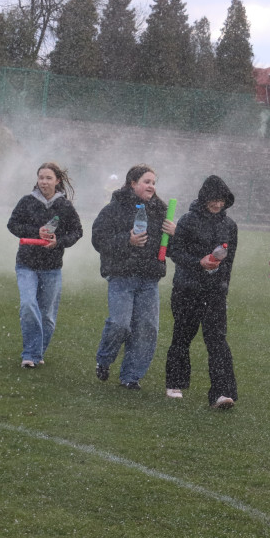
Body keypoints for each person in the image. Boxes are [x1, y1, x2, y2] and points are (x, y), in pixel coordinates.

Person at [92, 164, 176, 389]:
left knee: (146, 328)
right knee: (120, 324)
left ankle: (131, 377)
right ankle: (104, 360)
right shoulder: (114, 208)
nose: (152, 186)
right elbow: (98, 239)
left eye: (154, 183)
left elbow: (173, 248)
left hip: (149, 278)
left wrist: (174, 234)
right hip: (121, 276)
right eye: (147, 182)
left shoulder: (161, 210)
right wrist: (126, 241)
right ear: (133, 183)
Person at [164, 174, 238, 408]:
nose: (218, 204)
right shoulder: (188, 220)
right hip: (187, 289)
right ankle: (175, 382)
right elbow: (174, 252)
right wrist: (199, 262)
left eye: (222, 200)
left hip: (214, 292)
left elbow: (229, 261)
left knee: (217, 341)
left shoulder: (230, 225)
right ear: (204, 198)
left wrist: (223, 286)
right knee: (183, 336)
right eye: (214, 200)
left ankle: (222, 392)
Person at [6, 162, 83, 368]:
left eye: (48, 178)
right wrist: (35, 232)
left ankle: (36, 353)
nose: (44, 182)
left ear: (57, 180)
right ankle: (30, 354)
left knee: (47, 315)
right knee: (28, 305)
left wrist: (58, 241)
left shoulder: (65, 206)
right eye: (41, 177)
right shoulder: (27, 201)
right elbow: (12, 225)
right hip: (26, 264)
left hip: (52, 267)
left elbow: (77, 232)